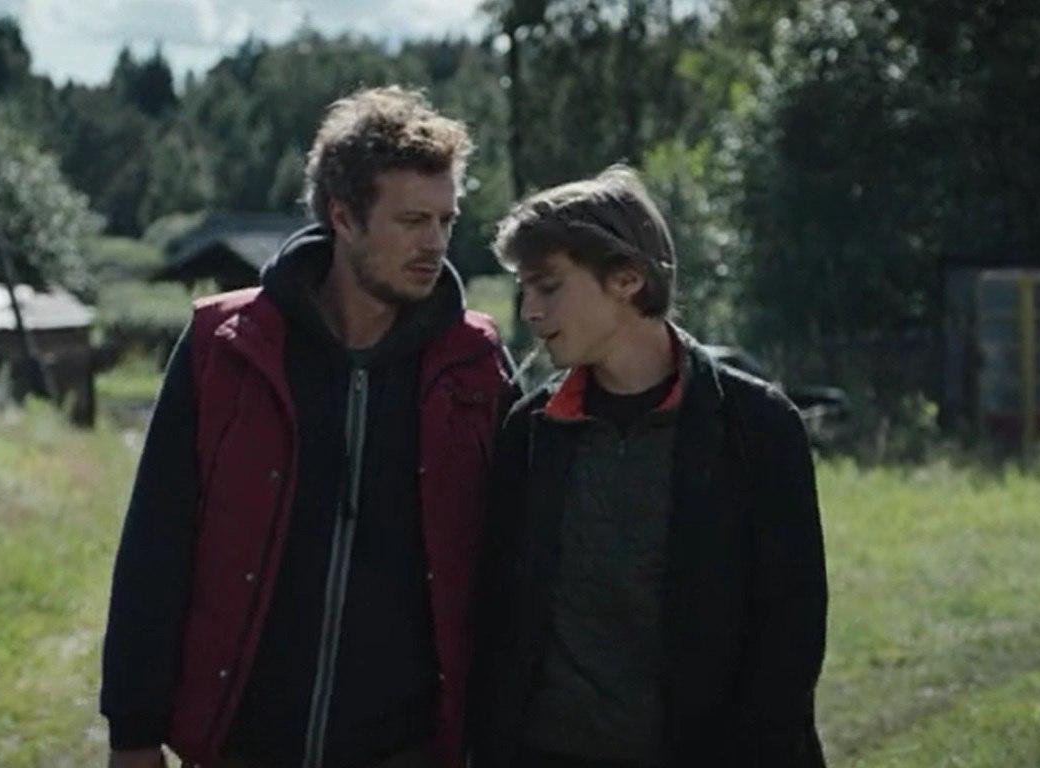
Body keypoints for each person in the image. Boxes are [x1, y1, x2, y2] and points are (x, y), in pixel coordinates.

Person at [101, 86, 512, 768]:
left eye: (446, 220)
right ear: (343, 216)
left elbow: (510, 567)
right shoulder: (226, 345)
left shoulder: (474, 364)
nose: (435, 243)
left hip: (407, 750)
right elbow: (156, 542)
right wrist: (133, 730)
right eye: (412, 220)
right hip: (245, 744)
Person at [469, 166, 828, 767]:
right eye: (524, 289)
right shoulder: (531, 432)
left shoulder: (757, 427)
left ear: (627, 278)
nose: (528, 311)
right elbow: (499, 622)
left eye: (548, 287)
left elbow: (790, 638)